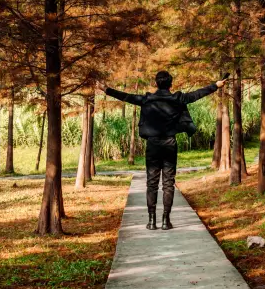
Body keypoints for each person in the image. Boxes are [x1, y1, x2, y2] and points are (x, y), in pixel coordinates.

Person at [96, 71, 228, 230]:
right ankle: (166, 221)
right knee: (168, 183)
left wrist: (106, 89)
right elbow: (197, 94)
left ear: (156, 83)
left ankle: (152, 221)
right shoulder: (178, 99)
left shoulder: (146, 100)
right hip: (170, 144)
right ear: (170, 84)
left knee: (151, 184)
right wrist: (216, 85)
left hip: (152, 145)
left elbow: (126, 96)